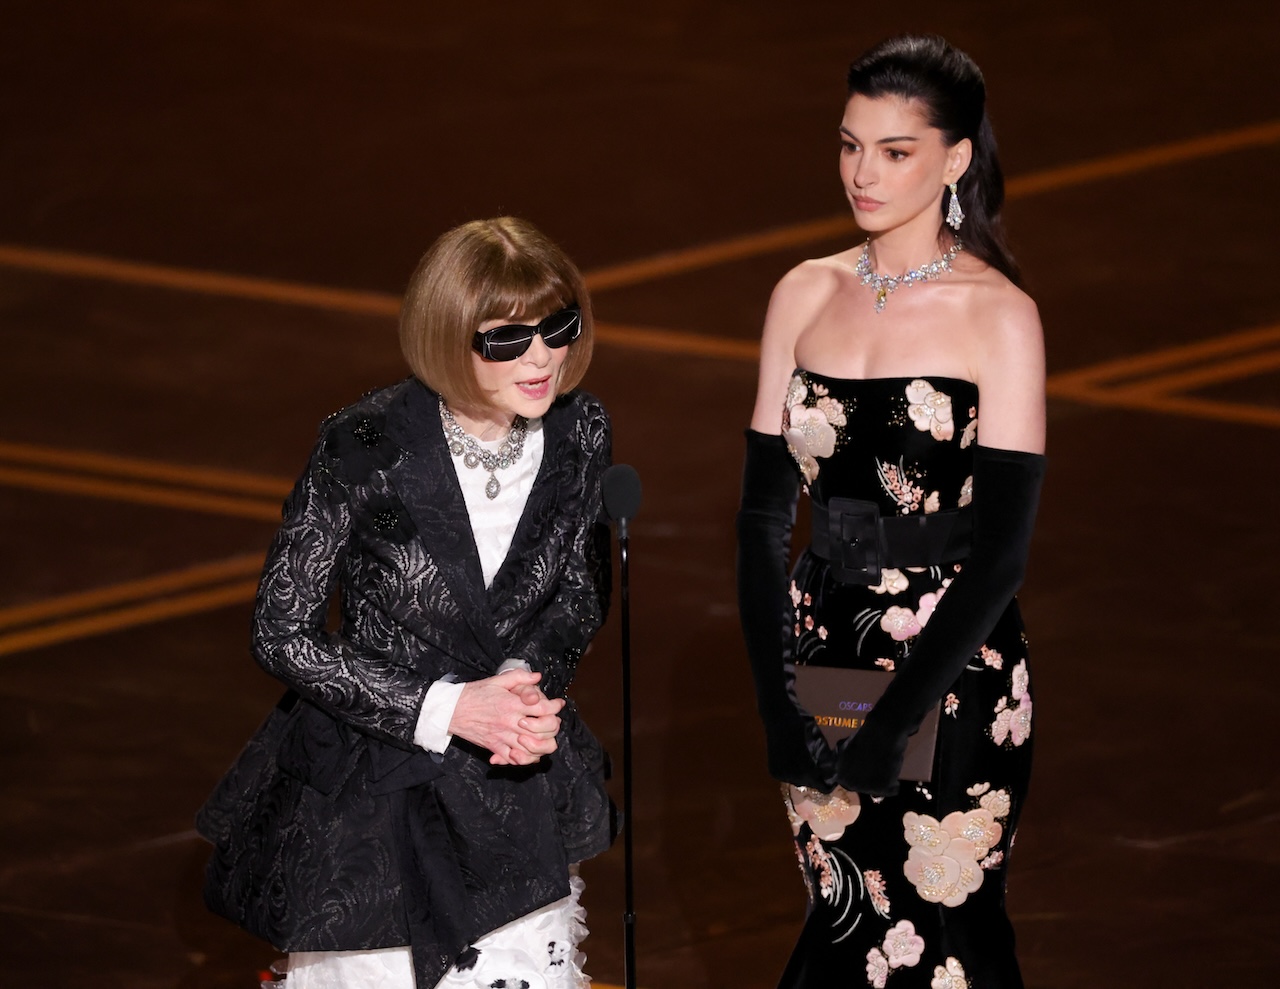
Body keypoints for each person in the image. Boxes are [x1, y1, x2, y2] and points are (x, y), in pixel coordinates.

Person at [196, 216, 615, 989]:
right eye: (507, 339)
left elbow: (582, 590)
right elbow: (282, 630)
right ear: (448, 336)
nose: (543, 357)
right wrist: (448, 709)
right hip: (375, 792)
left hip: (509, 785)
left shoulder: (580, 430)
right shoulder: (364, 445)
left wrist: (525, 682)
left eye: (558, 327)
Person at [737, 35, 1046, 989]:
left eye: (894, 151)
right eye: (849, 145)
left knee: (939, 928)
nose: (862, 174)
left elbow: (1000, 556)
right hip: (824, 646)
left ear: (955, 159)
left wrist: (889, 724)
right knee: (846, 912)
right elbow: (759, 519)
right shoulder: (802, 293)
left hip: (952, 661)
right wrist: (777, 702)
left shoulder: (999, 316)